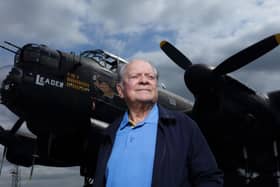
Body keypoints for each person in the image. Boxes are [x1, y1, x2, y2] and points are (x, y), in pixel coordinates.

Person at [93, 59, 223, 187]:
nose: (144, 81)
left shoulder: (185, 126)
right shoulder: (109, 134)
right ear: (120, 90)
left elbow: (209, 177)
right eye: (134, 76)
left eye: (151, 77)